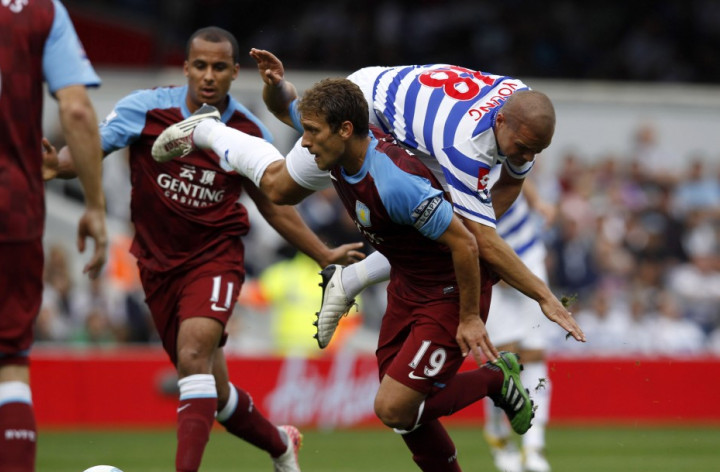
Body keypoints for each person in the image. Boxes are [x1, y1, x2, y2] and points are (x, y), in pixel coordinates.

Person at [155, 75, 541, 472]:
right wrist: (277, 91)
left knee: (393, 407)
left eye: (313, 133)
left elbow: (467, 245)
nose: (306, 142)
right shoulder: (336, 147)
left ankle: (496, 379)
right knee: (406, 416)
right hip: (406, 286)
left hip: (447, 291)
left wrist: (472, 315)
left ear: (342, 130)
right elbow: (286, 135)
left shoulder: (398, 182)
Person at [42, 27, 363, 472]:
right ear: (186, 68)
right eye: (200, 66)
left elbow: (275, 206)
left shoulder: (247, 131)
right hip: (155, 265)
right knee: (212, 392)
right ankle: (279, 441)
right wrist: (58, 166)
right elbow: (90, 149)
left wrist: (322, 253)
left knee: (193, 353)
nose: (209, 76)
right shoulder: (146, 109)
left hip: (216, 257)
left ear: (235, 72)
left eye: (219, 67)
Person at [158, 49, 585, 351]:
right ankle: (209, 130)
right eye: (523, 146)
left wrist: (481, 222)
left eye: (537, 151)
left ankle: (352, 278)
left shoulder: (520, 103)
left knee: (446, 233)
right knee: (280, 189)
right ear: (502, 119)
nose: (527, 157)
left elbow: (507, 186)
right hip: (372, 109)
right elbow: (482, 240)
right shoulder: (463, 147)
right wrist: (543, 295)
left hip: (407, 119)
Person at [0, 2, 108, 472]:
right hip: (4, 209)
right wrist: (97, 205)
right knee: (6, 367)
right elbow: (77, 111)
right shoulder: (38, 11)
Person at [482, 178, 559, 472]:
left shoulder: (497, 139)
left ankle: (534, 444)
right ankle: (497, 436)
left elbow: (516, 170)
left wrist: (537, 201)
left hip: (527, 253)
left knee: (535, 353)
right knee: (505, 359)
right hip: (490, 262)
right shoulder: (452, 152)